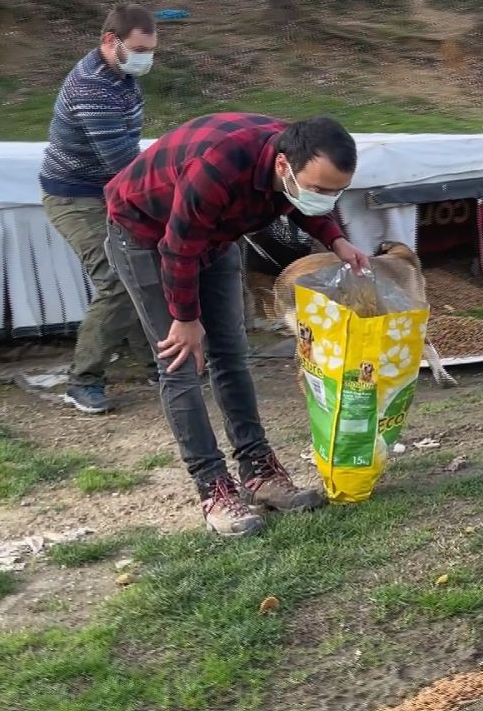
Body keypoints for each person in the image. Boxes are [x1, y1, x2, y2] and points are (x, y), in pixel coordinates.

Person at [104, 113, 372, 537]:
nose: (326, 197)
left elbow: (304, 201)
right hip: (146, 234)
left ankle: (258, 471)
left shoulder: (298, 155)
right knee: (180, 362)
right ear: (283, 166)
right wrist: (185, 318)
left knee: (231, 353)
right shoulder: (219, 166)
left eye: (336, 191)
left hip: (214, 236)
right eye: (322, 189)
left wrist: (335, 237)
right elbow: (178, 248)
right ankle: (213, 487)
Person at [39, 3, 160, 414]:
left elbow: (129, 152)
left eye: (151, 50)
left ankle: (158, 364)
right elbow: (122, 163)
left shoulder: (123, 76)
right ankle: (83, 380)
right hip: (74, 195)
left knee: (147, 268)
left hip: (110, 190)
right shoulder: (94, 88)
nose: (147, 58)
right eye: (139, 48)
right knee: (115, 278)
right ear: (111, 41)